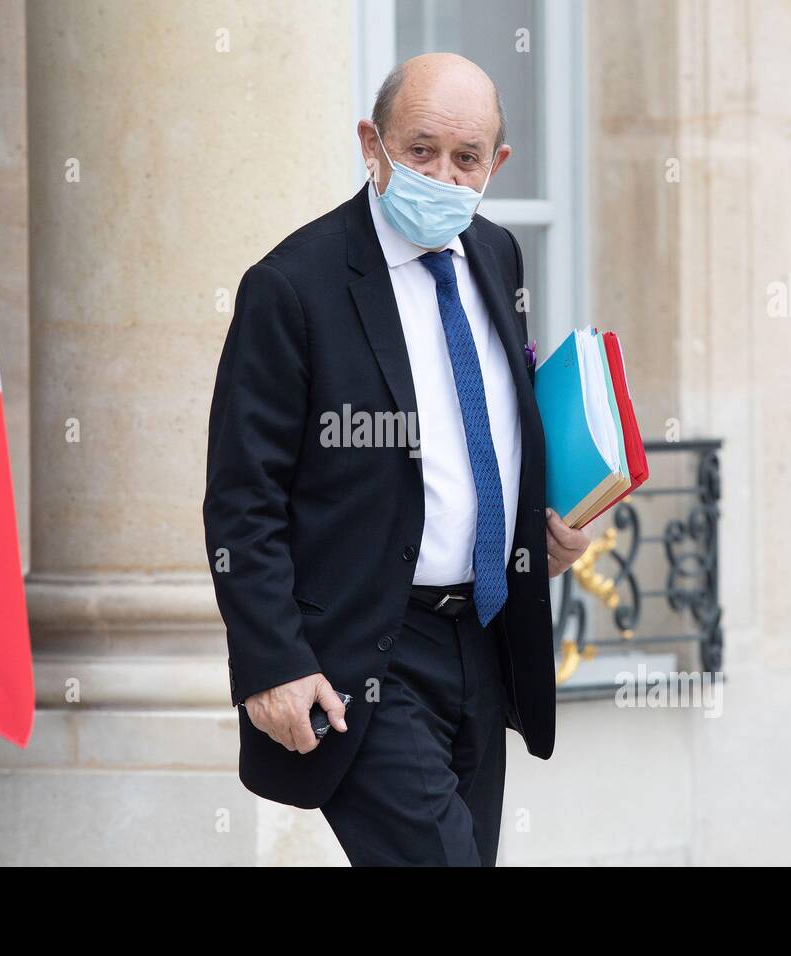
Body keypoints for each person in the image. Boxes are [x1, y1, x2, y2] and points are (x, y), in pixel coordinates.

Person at [203, 52, 593, 866]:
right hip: (366, 655)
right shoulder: (292, 285)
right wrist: (272, 662)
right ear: (371, 145)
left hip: (482, 639)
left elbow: (486, 428)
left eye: (466, 158)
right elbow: (243, 496)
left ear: (496, 165)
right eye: (421, 150)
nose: (443, 176)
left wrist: (537, 529)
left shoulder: (497, 256)